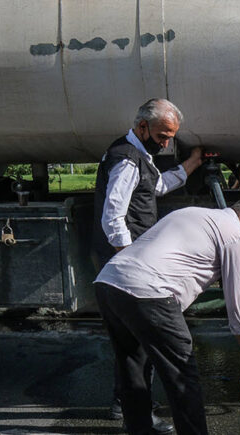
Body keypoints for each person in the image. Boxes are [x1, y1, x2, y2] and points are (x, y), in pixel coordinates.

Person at [94, 196, 240, 435]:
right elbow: (238, 298)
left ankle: (140, 429)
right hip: (150, 292)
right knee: (182, 375)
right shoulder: (235, 238)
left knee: (132, 364)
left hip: (109, 281)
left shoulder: (194, 213)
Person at [92, 98, 203, 433]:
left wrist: (191, 164)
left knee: (133, 346)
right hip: (128, 265)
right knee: (140, 345)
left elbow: (155, 187)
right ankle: (136, 412)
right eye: (162, 136)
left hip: (125, 264)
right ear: (142, 127)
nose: (166, 143)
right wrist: (130, 261)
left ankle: (130, 411)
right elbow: (113, 216)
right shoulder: (127, 160)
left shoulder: (136, 154)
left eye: (170, 137)